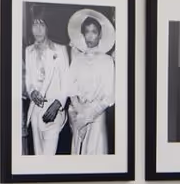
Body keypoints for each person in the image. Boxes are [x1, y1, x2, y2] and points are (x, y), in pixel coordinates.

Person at [65, 9, 116, 156]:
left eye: (94, 31)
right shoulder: (77, 59)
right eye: (87, 31)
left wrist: (88, 116)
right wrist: (80, 112)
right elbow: (71, 88)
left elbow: (109, 96)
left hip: (97, 116)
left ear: (100, 34)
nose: (90, 35)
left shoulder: (107, 60)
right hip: (78, 113)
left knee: (96, 153)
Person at [22, 13, 69, 155]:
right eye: (34, 25)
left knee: (49, 157)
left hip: (53, 112)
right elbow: (28, 80)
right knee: (38, 155)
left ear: (48, 28)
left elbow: (66, 82)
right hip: (35, 111)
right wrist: (32, 92)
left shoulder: (60, 50)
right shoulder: (28, 51)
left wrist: (57, 104)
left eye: (41, 24)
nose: (38, 29)